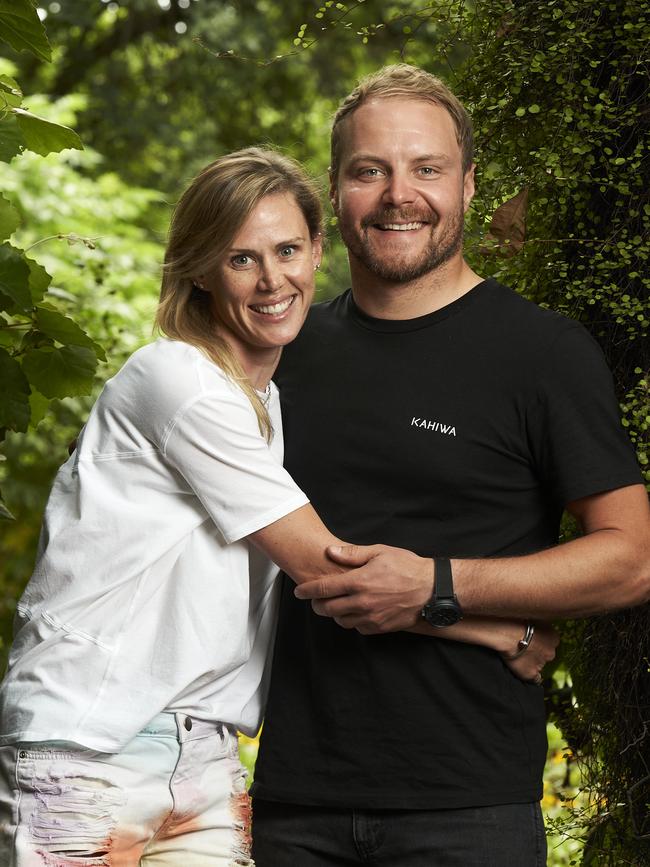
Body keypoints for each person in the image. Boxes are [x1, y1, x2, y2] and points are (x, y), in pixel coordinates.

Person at [0, 145, 554, 867]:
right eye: (240, 259)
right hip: (90, 739)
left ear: (318, 249)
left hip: (206, 756)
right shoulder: (178, 380)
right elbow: (325, 569)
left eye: (288, 249)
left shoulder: (267, 400)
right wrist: (498, 631)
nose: (272, 280)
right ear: (198, 268)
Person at [250, 66, 650, 866]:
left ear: (468, 185)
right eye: (371, 170)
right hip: (291, 804)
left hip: (468, 812)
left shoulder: (541, 353)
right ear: (336, 190)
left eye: (427, 168)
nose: (401, 193)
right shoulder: (280, 353)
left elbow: (631, 556)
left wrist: (440, 585)